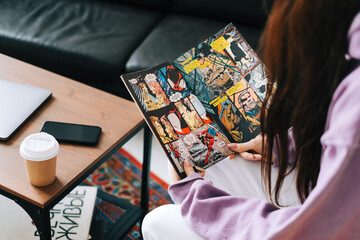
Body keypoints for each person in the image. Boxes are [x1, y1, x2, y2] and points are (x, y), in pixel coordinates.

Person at [141, 0, 360, 239]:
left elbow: (308, 231)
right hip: (324, 191)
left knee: (157, 222)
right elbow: (332, 137)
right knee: (218, 159)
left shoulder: (354, 99)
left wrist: (195, 198)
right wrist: (279, 146)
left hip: (320, 224)